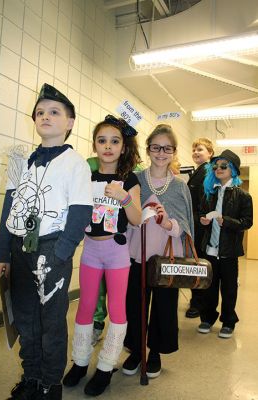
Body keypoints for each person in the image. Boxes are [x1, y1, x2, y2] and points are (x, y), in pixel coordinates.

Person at [0, 83, 94, 400]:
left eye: (54, 112)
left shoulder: (74, 163)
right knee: (25, 320)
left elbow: (80, 212)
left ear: (70, 122)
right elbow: (11, 208)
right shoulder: (21, 161)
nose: (45, 116)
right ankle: (32, 378)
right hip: (20, 250)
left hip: (52, 249)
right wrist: (2, 253)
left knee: (51, 323)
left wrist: (61, 253)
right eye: (40, 112)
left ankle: (51, 384)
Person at [63, 115, 141, 396]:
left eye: (115, 141)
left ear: (123, 146)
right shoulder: (86, 175)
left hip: (117, 252)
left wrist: (124, 198)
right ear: (95, 145)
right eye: (102, 140)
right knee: (85, 306)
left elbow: (135, 219)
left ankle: (106, 367)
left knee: (117, 309)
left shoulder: (129, 178)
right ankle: (81, 362)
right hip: (91, 251)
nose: (108, 146)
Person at [123, 124, 194, 378]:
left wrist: (168, 223)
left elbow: (185, 225)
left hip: (167, 258)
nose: (161, 153)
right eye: (156, 147)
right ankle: (135, 350)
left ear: (174, 152)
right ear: (148, 149)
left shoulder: (180, 186)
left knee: (164, 307)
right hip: (137, 254)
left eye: (167, 148)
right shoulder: (136, 179)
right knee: (135, 304)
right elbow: (126, 214)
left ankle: (154, 352)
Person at [197, 149, 253, 338]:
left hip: (229, 252)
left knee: (229, 289)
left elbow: (247, 223)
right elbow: (200, 215)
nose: (218, 169)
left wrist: (225, 221)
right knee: (209, 288)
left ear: (234, 170)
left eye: (223, 166)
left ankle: (228, 321)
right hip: (210, 250)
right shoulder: (209, 193)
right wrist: (203, 220)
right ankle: (207, 318)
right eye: (216, 166)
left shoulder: (243, 196)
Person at [185, 138, 214, 318]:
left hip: (200, 224)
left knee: (198, 263)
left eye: (200, 149)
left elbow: (204, 201)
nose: (196, 152)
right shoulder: (200, 171)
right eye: (194, 149)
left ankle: (198, 303)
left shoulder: (207, 172)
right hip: (196, 222)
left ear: (210, 153)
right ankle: (198, 300)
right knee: (197, 262)